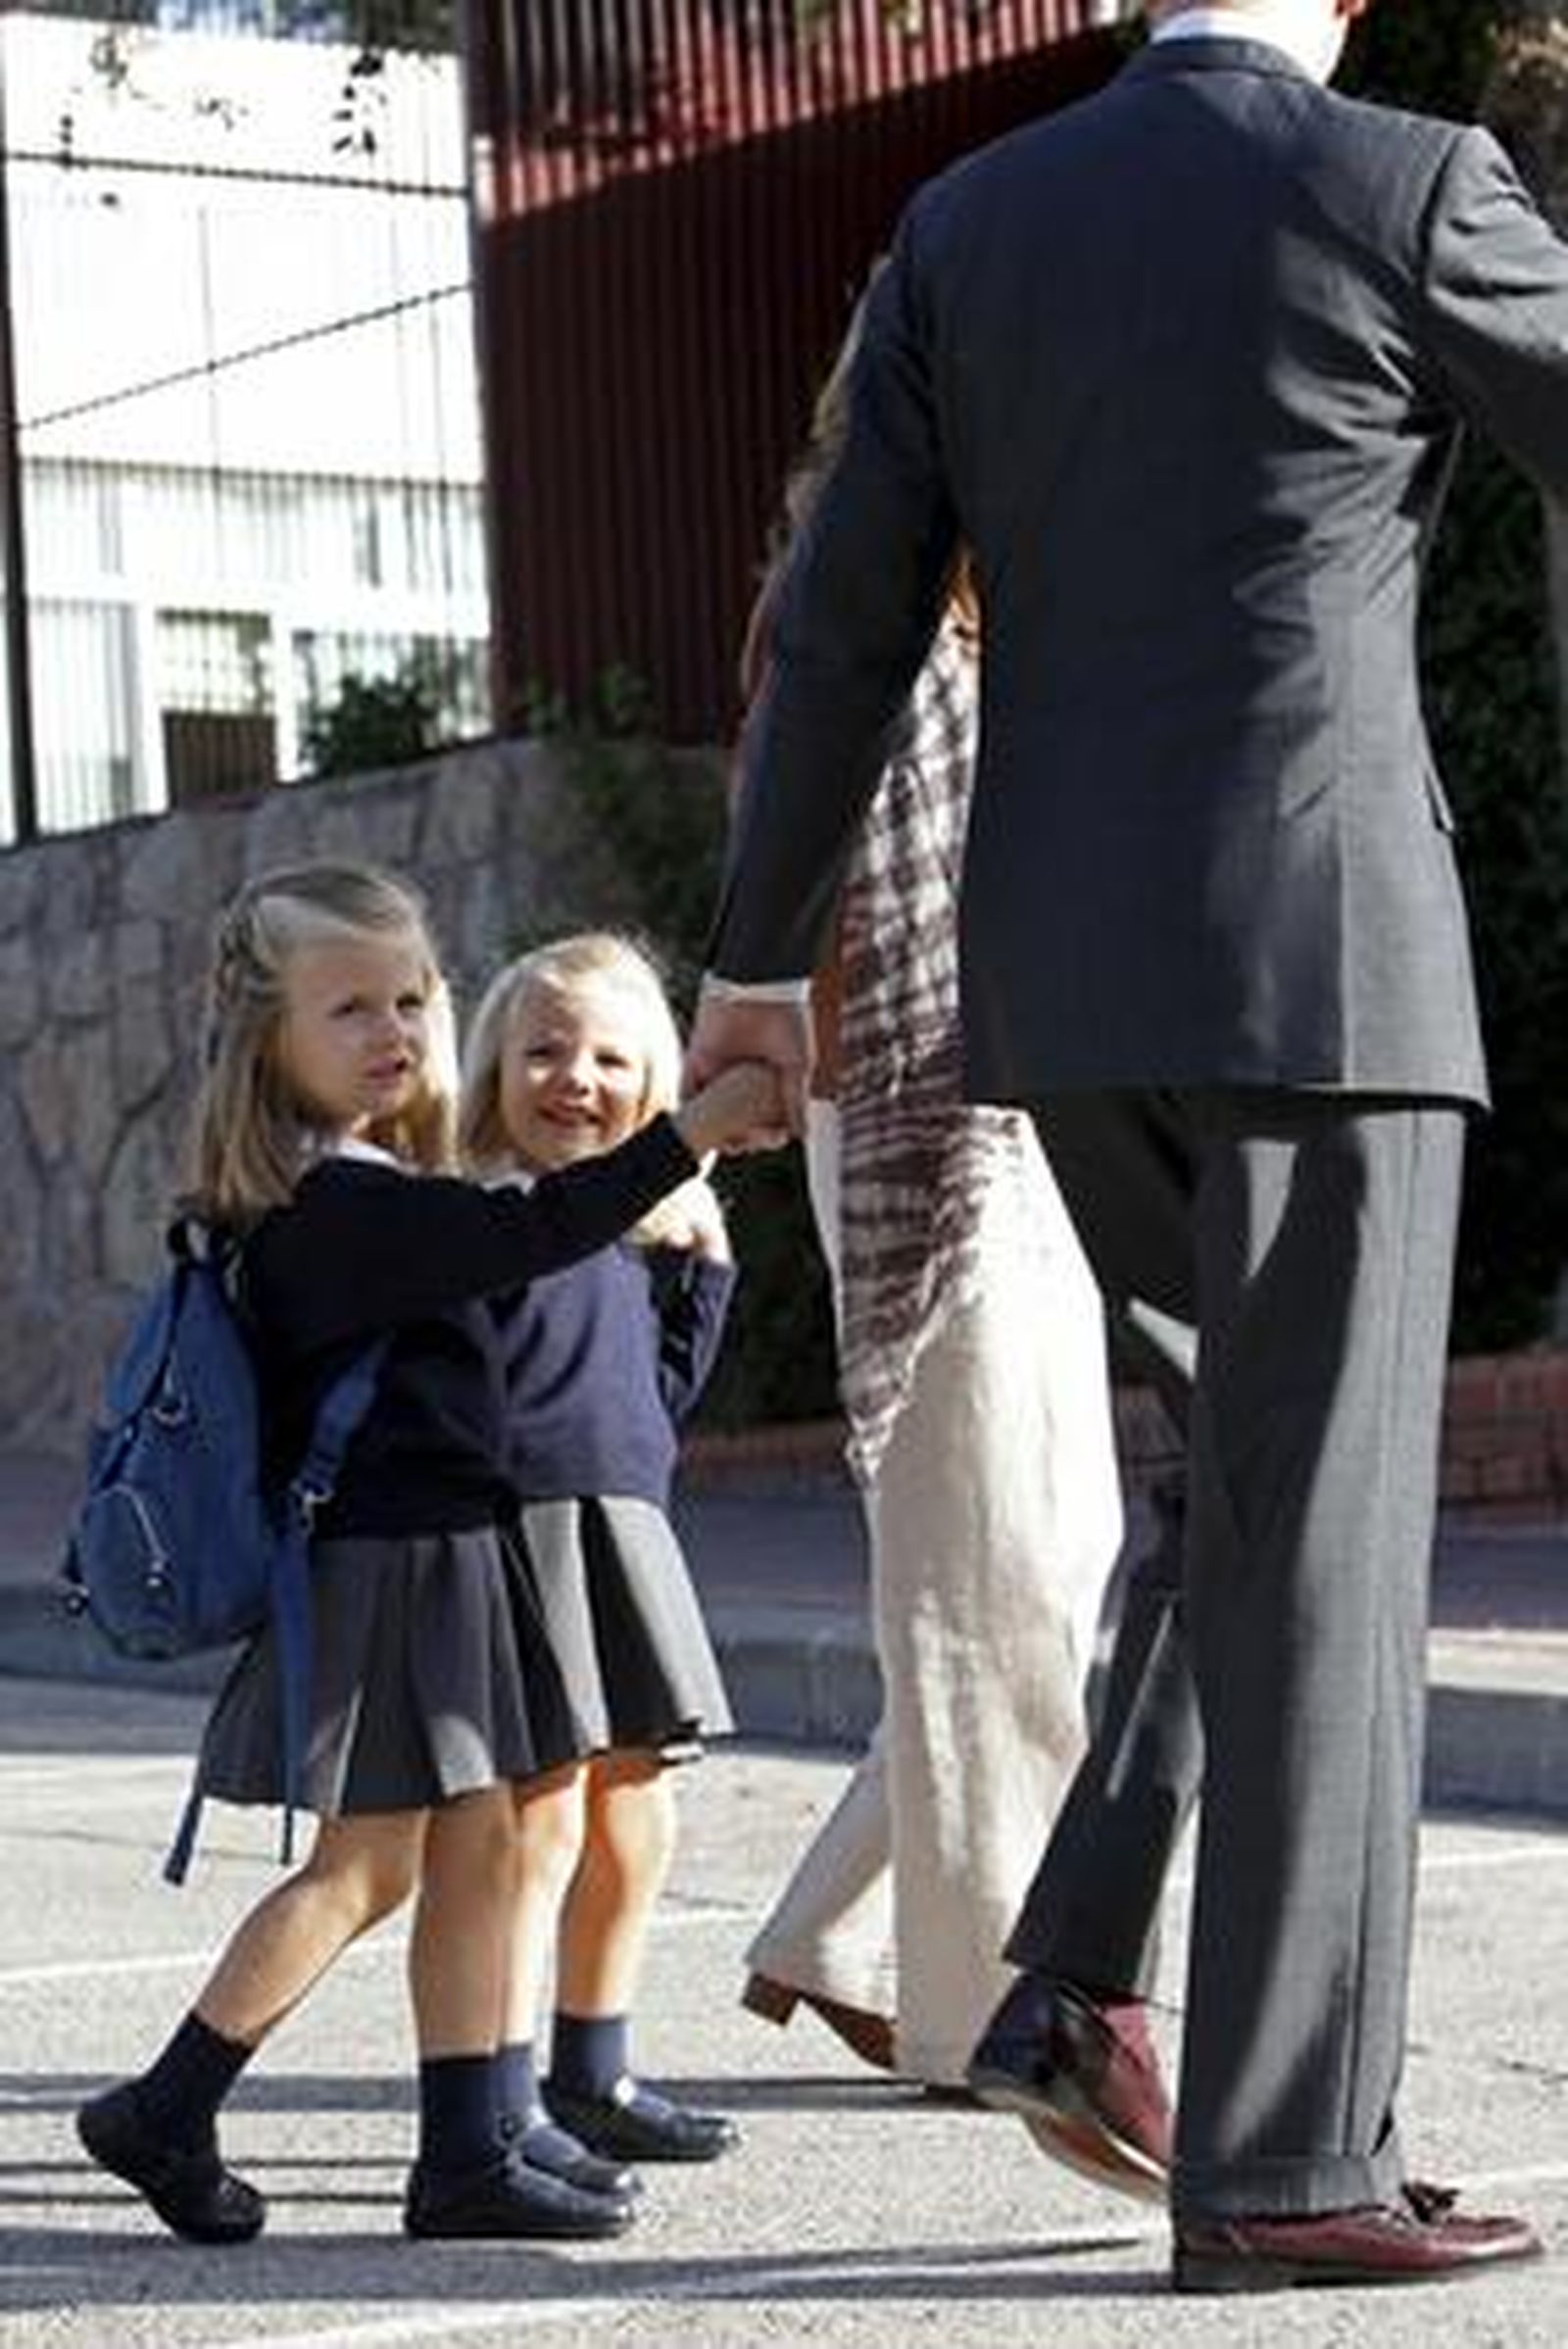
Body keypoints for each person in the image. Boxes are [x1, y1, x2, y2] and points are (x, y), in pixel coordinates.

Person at [687, 0, 1568, 2294]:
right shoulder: (1400, 180)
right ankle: (1284, 2167)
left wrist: (753, 961)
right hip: (1322, 971)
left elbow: (840, 619)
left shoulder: (963, 224)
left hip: (1068, 994)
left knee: (1236, 1505)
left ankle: (1073, 1967)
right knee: (1325, 1552)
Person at [75, 863, 777, 2246]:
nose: (393, 1028)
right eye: (350, 1008)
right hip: (390, 1567)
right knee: (366, 1867)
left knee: (470, 1853)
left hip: (434, 1555)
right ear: (266, 1038)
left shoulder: (369, 1182)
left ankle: (473, 2140)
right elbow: (531, 1232)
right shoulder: (335, 1206)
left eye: (409, 997)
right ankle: (168, 2104)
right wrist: (688, 1133)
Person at [735, 332, 1124, 2092]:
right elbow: (820, 875)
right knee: (989, 1577)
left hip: (1017, 1095)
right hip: (916, 1108)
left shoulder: (986, 607)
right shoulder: (854, 589)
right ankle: (978, 2016)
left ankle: (840, 1934)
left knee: (1042, 1561)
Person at [458, 933, 742, 2176]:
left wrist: (706, 1258)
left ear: (654, 1085)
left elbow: (661, 1394)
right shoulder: (487, 1212)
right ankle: (502, 2090)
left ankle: (596, 2067)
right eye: (545, 1051)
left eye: (610, 1057)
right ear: (496, 1069)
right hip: (524, 1533)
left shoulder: (652, 1235)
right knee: (542, 1824)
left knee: (640, 1820)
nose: (575, 1078)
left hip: (626, 1531)